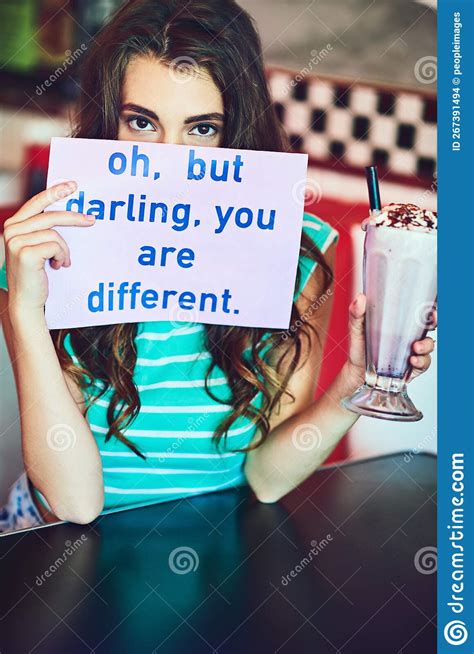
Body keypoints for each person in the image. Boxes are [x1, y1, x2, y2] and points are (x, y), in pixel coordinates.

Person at [0, 0, 435, 532]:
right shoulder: (46, 252)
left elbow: (267, 477)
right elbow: (74, 503)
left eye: (202, 129)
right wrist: (23, 310)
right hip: (59, 550)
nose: (170, 162)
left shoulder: (300, 255)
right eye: (142, 123)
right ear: (107, 124)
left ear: (238, 132)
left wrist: (355, 383)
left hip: (212, 557)